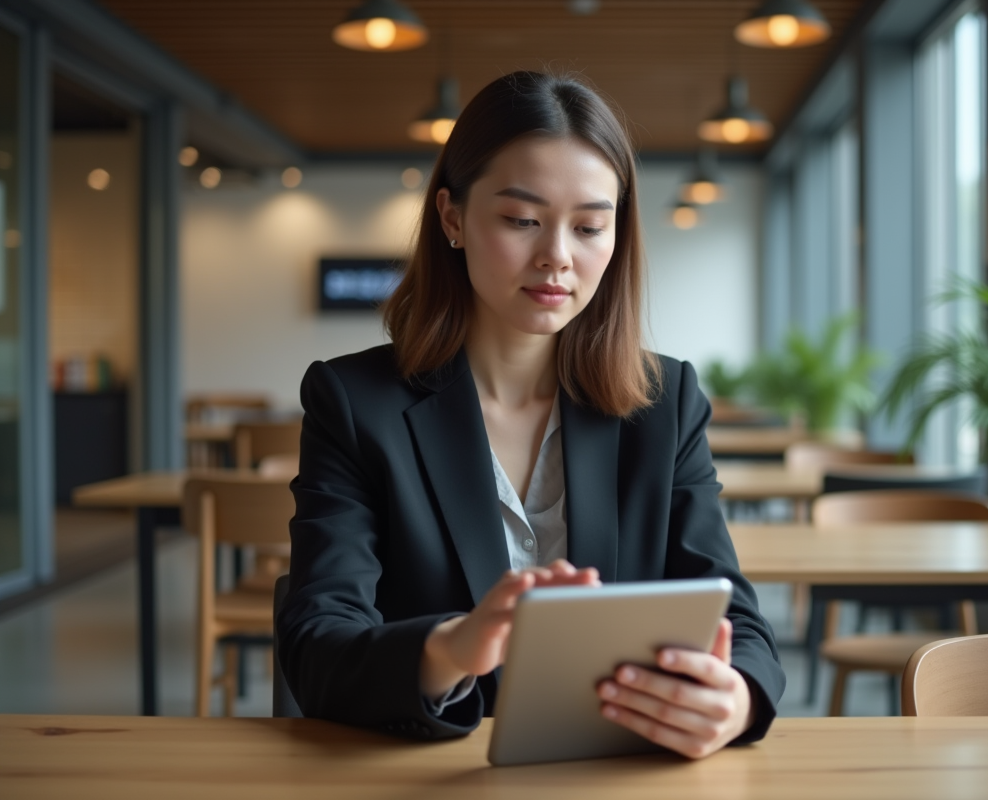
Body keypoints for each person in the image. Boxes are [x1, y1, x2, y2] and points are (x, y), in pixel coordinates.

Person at [277, 71, 784, 760]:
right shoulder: (353, 402)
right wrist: (456, 645)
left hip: (614, 769)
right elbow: (317, 647)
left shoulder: (665, 403)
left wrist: (737, 699)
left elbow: (739, 624)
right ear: (452, 218)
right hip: (421, 775)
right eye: (522, 220)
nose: (557, 258)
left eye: (589, 226)